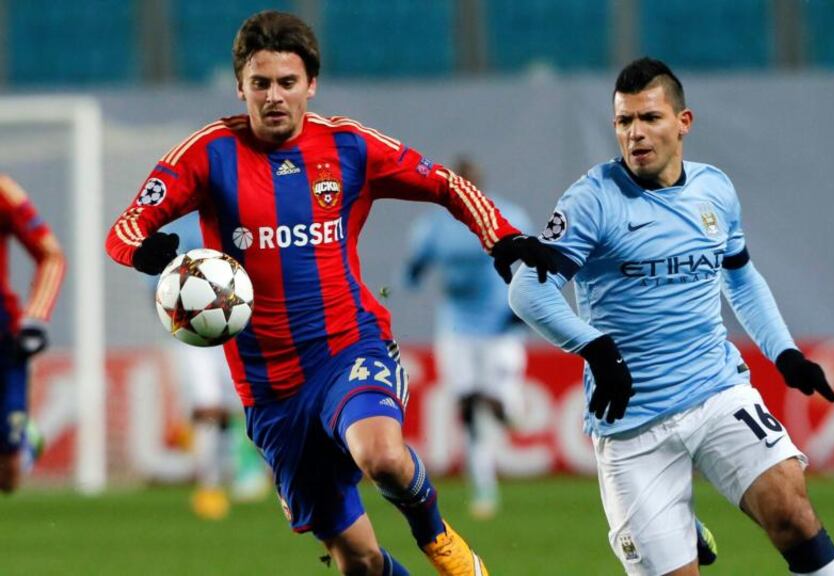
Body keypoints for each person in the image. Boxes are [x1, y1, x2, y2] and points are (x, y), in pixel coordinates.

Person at [105, 10, 554, 576]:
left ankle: (440, 542)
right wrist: (142, 251)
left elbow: (445, 183)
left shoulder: (348, 146)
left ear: (310, 85)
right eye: (261, 83)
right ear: (239, 84)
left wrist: (502, 238)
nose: (274, 97)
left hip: (348, 346)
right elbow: (124, 227)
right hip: (270, 389)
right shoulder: (208, 152)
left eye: (287, 83)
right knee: (360, 561)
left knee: (383, 456)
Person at [509, 57, 834, 576]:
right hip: (632, 422)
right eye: (624, 122)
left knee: (792, 510)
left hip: (715, 391)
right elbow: (528, 291)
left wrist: (784, 352)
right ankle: (679, 529)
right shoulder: (593, 201)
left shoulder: (715, 190)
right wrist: (595, 348)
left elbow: (738, 276)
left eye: (650, 118)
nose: (636, 134)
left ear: (682, 123)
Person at [403, 157, 530, 520]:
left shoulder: (508, 216)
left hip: (499, 328)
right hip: (457, 327)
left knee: (496, 404)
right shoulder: (433, 227)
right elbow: (415, 268)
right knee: (467, 407)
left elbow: (535, 265)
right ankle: (484, 489)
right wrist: (412, 272)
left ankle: (512, 414)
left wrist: (520, 308)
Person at [147, 212, 269, 520]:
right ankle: (210, 486)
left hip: (238, 328)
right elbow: (156, 289)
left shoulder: (238, 219)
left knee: (240, 403)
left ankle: (248, 472)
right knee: (207, 406)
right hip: (193, 333)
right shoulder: (175, 231)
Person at [0, 174, 65, 494]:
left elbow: (50, 255)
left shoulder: (5, 193)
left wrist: (36, 317)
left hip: (4, 339)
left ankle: (20, 442)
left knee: (8, 475)